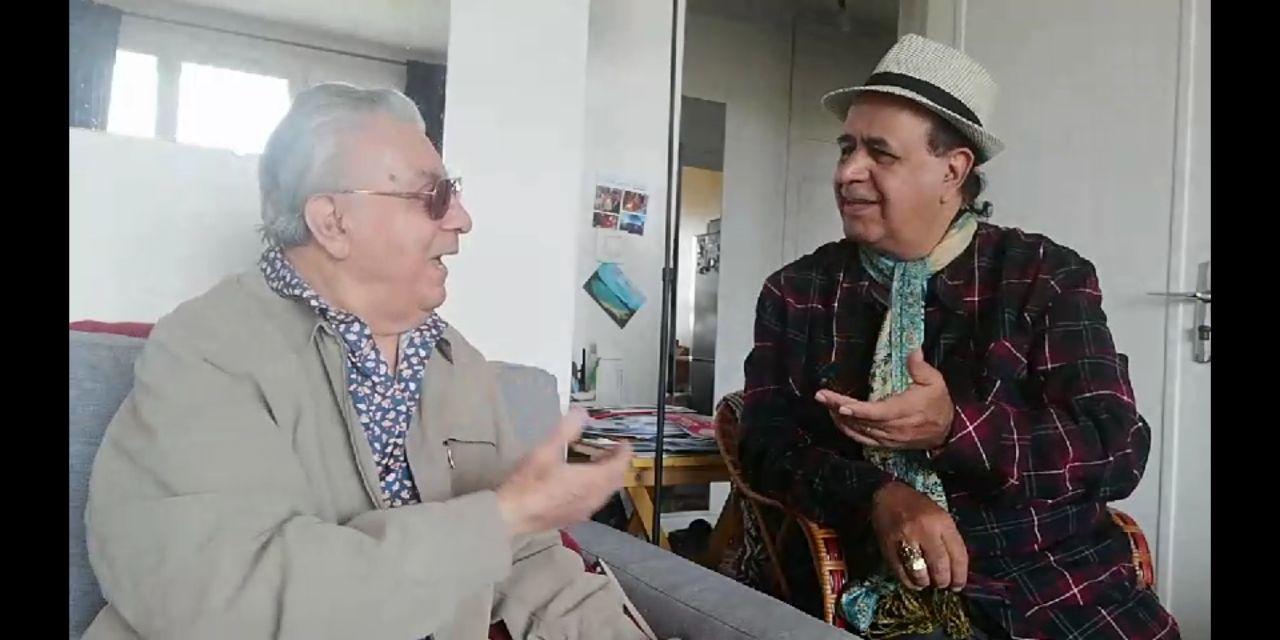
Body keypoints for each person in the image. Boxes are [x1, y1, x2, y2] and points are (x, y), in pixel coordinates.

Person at [84, 83, 649, 640]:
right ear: (332, 222)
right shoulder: (207, 350)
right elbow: (238, 595)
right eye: (434, 196)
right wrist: (499, 518)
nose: (462, 219)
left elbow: (527, 559)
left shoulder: (457, 363)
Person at [737, 34, 1180, 640]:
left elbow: (1117, 449)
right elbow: (764, 442)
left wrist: (954, 428)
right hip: (872, 590)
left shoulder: (1043, 276)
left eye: (879, 153)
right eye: (845, 148)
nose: (847, 172)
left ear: (952, 170)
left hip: (1057, 587)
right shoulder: (798, 291)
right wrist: (879, 495)